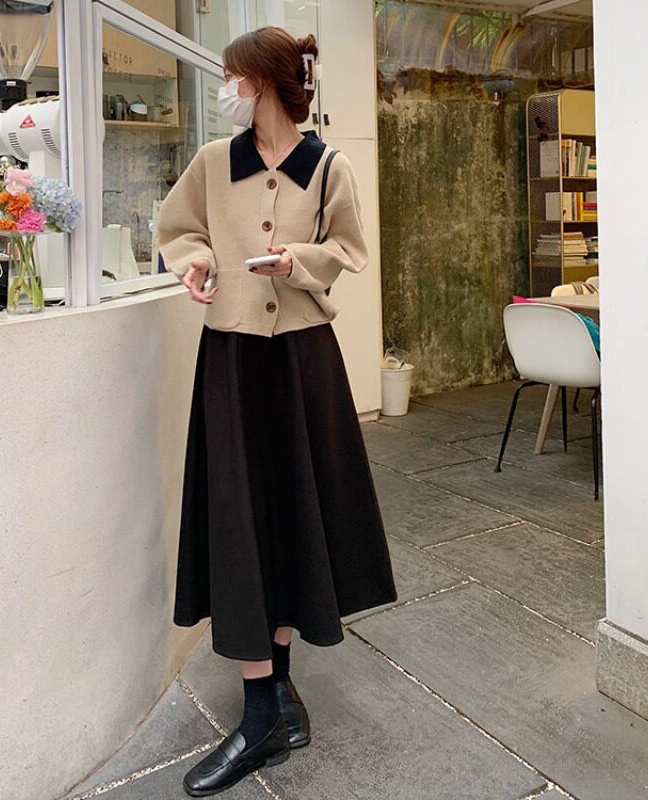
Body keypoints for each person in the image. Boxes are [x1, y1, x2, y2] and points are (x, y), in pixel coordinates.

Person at [156, 26, 398, 797]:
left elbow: (349, 249)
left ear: (262, 83)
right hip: (233, 362)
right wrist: (197, 262)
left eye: (233, 77)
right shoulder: (212, 162)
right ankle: (266, 707)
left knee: (293, 512)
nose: (226, 89)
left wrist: (301, 263)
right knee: (240, 518)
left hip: (301, 364)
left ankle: (273, 705)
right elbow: (180, 230)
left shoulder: (327, 166)